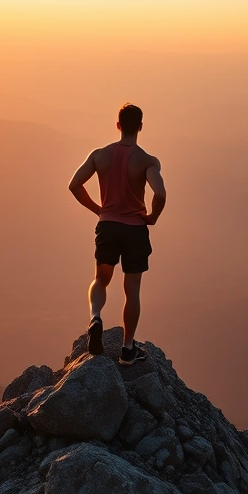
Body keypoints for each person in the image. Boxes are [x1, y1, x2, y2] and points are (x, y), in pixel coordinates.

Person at [67, 103, 167, 365]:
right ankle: (127, 349)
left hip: (108, 226)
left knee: (101, 279)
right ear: (141, 127)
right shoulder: (147, 161)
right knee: (131, 290)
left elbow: (74, 184)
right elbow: (160, 193)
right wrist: (153, 217)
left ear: (118, 125)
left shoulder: (100, 155)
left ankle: (95, 317)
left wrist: (98, 209)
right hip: (135, 229)